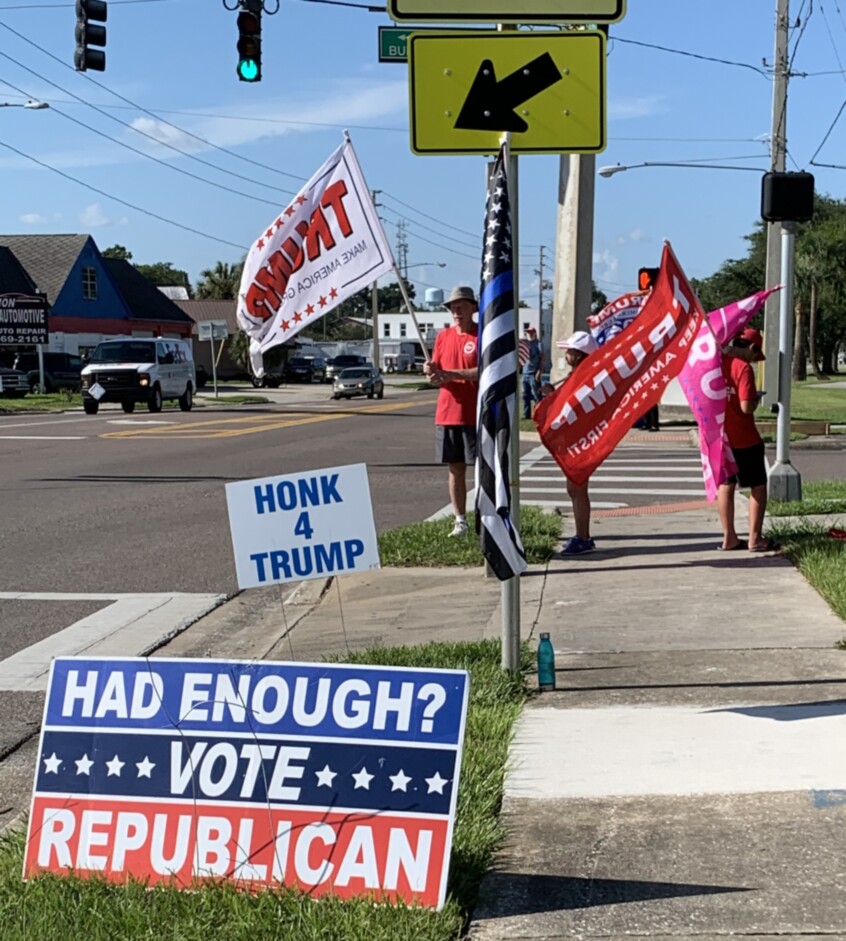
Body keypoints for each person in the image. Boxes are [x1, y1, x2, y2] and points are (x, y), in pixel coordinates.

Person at [424, 286, 479, 538]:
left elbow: (485, 370)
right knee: (455, 469)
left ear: (472, 308)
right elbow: (437, 377)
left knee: (482, 469)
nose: (456, 312)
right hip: (447, 413)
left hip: (476, 413)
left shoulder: (482, 335)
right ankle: (460, 520)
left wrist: (452, 374)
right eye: (453, 308)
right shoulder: (443, 337)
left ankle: (485, 516)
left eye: (461, 307)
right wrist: (431, 373)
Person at [717, 327, 779, 552]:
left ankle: (729, 538)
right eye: (756, 355)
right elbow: (745, 407)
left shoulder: (717, 363)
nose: (755, 360)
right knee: (758, 486)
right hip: (744, 438)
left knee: (726, 485)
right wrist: (754, 399)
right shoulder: (743, 368)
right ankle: (755, 538)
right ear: (752, 348)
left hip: (721, 438)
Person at [557, 330, 600, 555]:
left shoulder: (585, 377)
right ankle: (582, 535)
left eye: (570, 351)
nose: (566, 354)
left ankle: (583, 537)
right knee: (574, 488)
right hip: (576, 440)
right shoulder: (581, 374)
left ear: (579, 354)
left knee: (577, 488)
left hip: (581, 441)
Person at [522, 326, 544, 419]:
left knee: (536, 395)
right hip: (525, 373)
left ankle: (539, 413)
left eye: (531, 332)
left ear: (535, 333)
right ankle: (526, 414)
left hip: (533, 373)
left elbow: (543, 358)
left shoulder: (538, 344)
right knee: (525, 395)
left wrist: (539, 371)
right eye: (528, 332)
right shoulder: (525, 344)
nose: (529, 334)